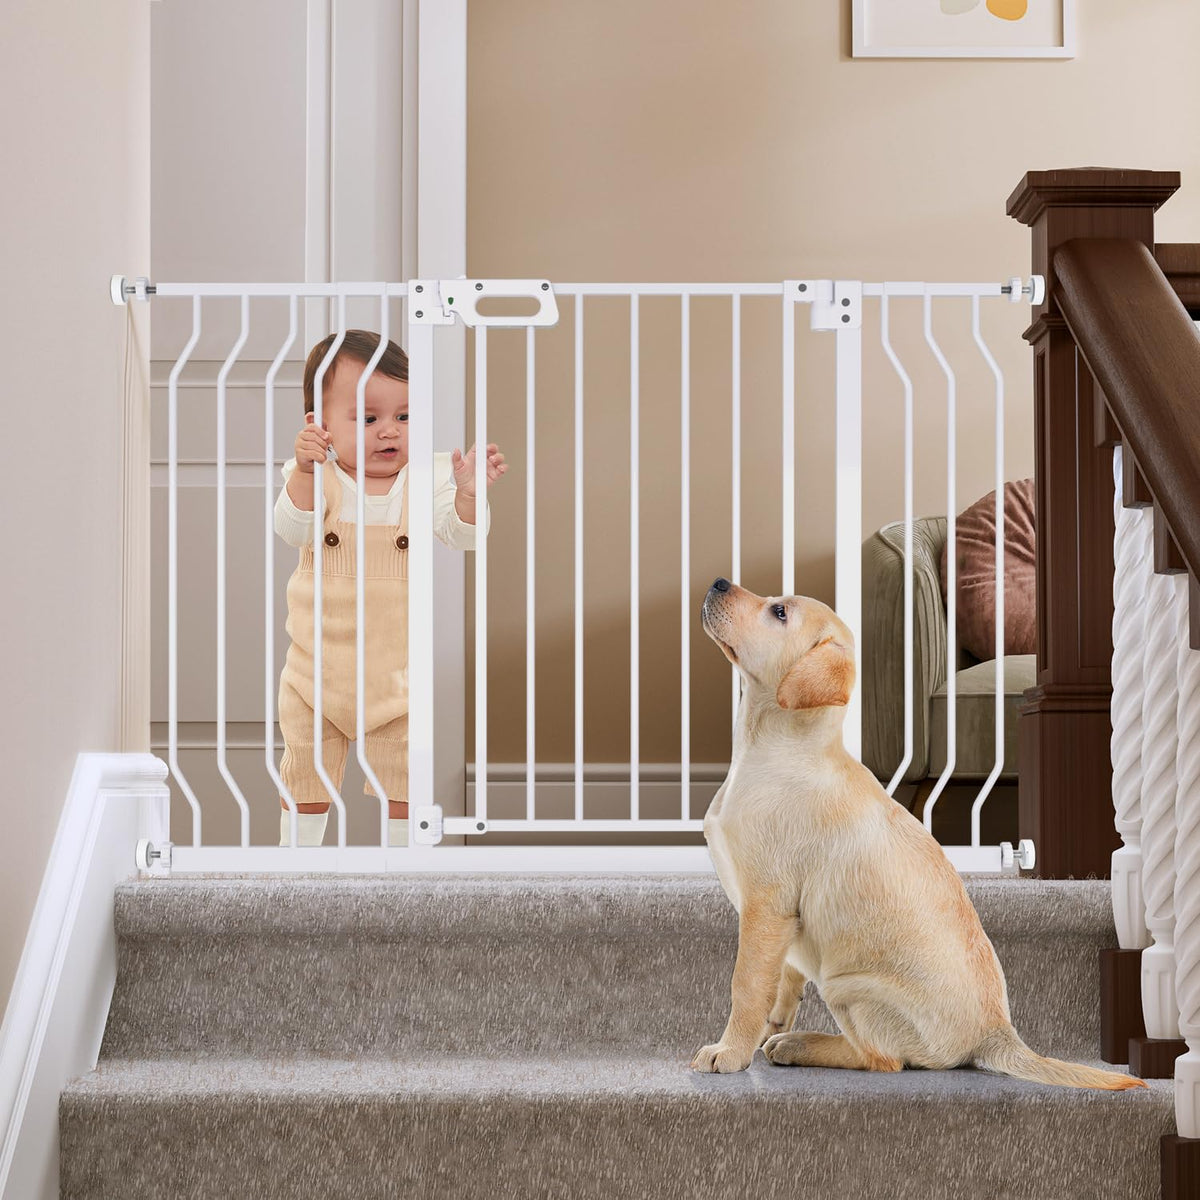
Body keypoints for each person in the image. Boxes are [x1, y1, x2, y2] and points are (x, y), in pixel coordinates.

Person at [274, 329, 506, 846]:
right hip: (314, 676)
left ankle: (404, 873)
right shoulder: (314, 476)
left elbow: (463, 536)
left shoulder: (427, 479)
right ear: (319, 426)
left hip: (397, 681)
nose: (389, 432)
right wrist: (306, 471)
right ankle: (296, 870)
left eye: (404, 416)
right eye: (367, 419)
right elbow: (292, 528)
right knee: (305, 779)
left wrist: (469, 496)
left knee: (404, 782)